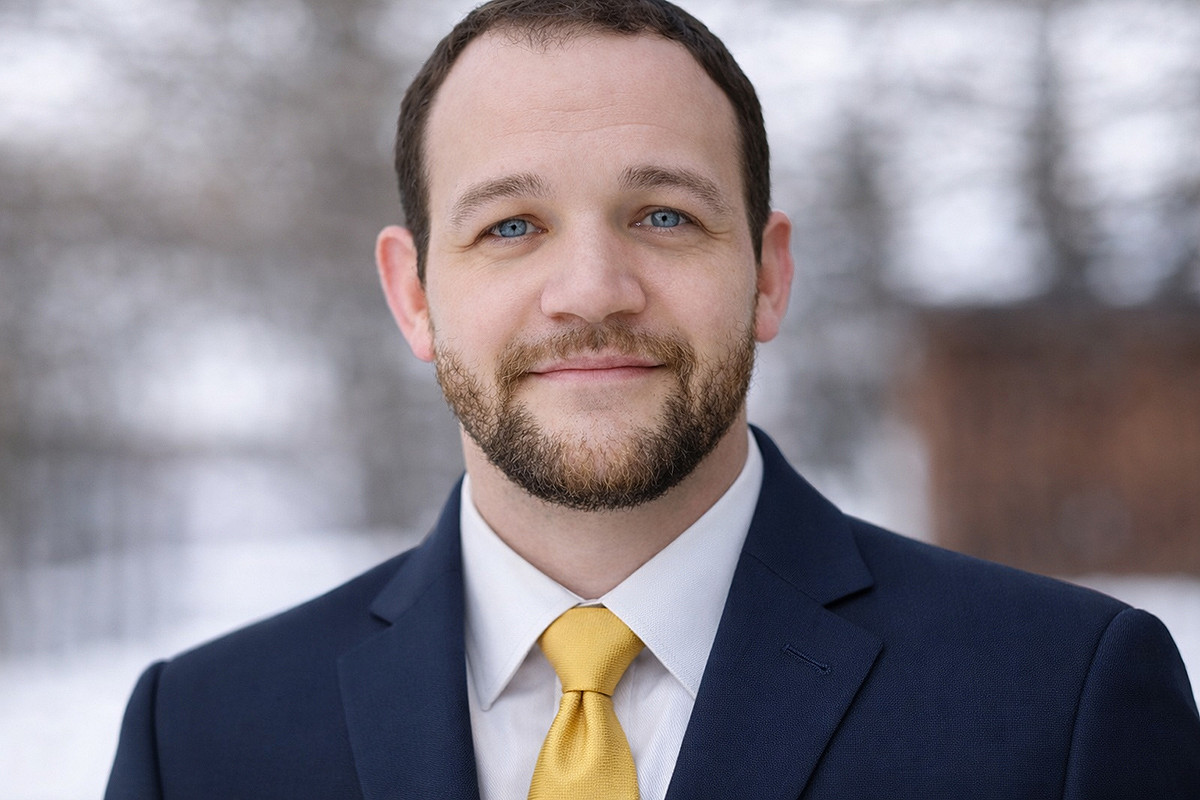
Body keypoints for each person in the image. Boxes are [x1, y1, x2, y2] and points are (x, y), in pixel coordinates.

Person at [105, 0, 1200, 797]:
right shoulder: (199, 738)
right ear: (413, 293)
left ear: (769, 273)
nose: (592, 291)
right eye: (511, 226)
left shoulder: (1063, 705)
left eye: (665, 216)